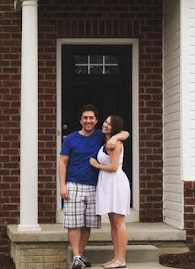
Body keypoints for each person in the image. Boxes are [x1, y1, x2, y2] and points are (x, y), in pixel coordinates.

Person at [59, 104, 129, 269]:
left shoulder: (102, 137)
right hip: (76, 184)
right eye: (85, 118)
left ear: (96, 120)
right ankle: (78, 256)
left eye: (91, 118)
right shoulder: (71, 139)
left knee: (91, 224)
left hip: (97, 186)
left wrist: (115, 138)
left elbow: (125, 132)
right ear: (80, 120)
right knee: (75, 223)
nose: (88, 121)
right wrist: (62, 185)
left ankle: (116, 258)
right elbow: (63, 162)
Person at [89, 115, 131, 269]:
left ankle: (121, 259)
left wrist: (96, 165)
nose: (106, 125)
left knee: (119, 222)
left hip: (116, 183)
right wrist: (115, 136)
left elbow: (113, 167)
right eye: (106, 122)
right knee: (113, 224)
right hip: (107, 184)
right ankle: (116, 257)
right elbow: (126, 133)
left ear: (115, 128)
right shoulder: (107, 141)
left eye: (110, 124)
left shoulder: (115, 143)